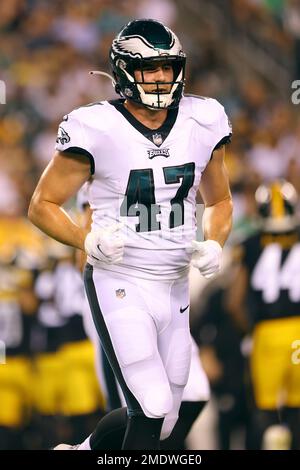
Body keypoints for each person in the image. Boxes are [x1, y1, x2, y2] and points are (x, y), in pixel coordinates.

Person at [28, 18, 233, 450]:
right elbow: (41, 205)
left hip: (175, 285)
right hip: (120, 278)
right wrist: (83, 240)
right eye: (149, 68)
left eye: (168, 67)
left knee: (170, 414)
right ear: (124, 71)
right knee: (152, 405)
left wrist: (215, 240)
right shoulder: (96, 126)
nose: (161, 77)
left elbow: (219, 202)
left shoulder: (204, 117)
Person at [228, 180, 300, 449]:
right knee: (297, 412)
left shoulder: (250, 242)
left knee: (265, 414)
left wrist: (249, 331)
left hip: (267, 335)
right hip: (299, 336)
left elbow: (234, 302)